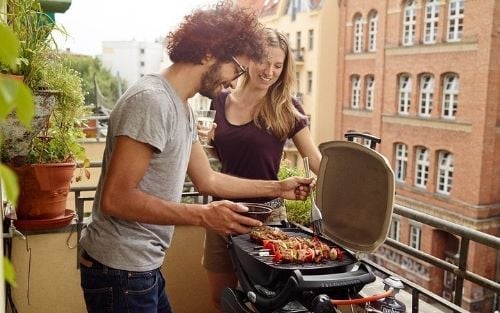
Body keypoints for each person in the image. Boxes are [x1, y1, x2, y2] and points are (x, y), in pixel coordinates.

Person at [78, 4, 313, 313]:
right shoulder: (151, 101)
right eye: (237, 69)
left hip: (142, 267)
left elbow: (208, 179)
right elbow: (117, 199)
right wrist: (204, 215)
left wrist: (279, 188)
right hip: (120, 269)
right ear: (208, 52)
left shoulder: (182, 106)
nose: (233, 81)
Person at [201, 28, 322, 312]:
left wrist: (356, 187)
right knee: (221, 299)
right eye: (264, 62)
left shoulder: (286, 108)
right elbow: (211, 156)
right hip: (221, 213)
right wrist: (203, 143)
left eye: (278, 65)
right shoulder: (219, 100)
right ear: (249, 60)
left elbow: (315, 160)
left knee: (262, 304)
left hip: (266, 219)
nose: (269, 71)